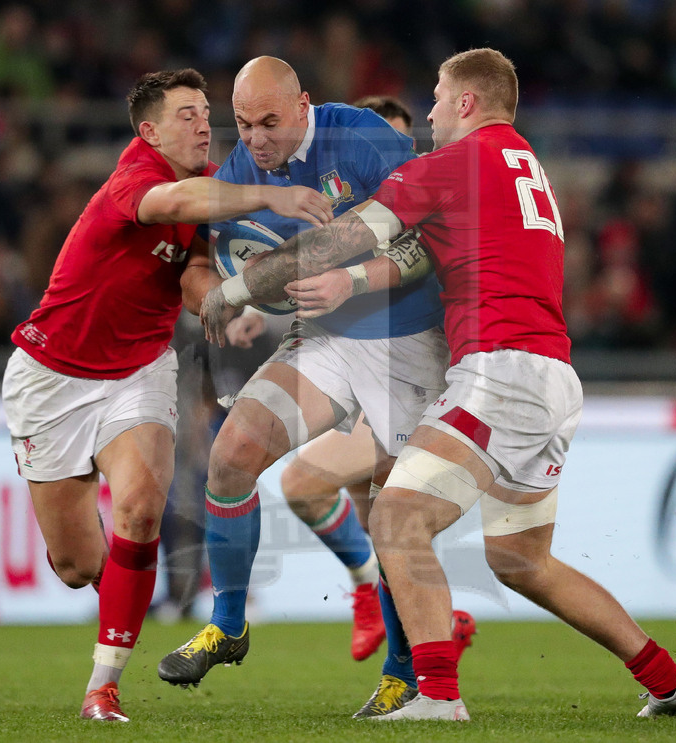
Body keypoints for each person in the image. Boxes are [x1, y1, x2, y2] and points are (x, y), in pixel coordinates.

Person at [196, 48, 676, 722]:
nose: (431, 112)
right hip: (551, 376)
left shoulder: (455, 164)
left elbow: (342, 239)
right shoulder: (522, 163)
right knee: (522, 559)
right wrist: (353, 286)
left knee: (395, 514)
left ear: (468, 102)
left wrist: (237, 288)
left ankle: (437, 694)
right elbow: (414, 258)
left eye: (439, 97)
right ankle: (671, 680)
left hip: (500, 372)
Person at [0, 67, 332, 723]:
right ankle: (122, 587)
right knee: (74, 565)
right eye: (186, 114)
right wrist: (279, 199)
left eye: (206, 113)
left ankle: (103, 689)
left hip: (139, 370)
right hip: (52, 375)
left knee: (142, 509)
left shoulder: (204, 191)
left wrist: (220, 304)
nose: (203, 123)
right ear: (149, 131)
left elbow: (194, 268)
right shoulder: (138, 178)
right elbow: (172, 208)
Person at [157, 56, 450, 704]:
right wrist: (228, 301)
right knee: (231, 457)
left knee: (391, 509)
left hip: (407, 335)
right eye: (242, 124)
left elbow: (433, 242)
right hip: (325, 337)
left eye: (268, 123)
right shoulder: (240, 172)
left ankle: (404, 672)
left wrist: (351, 277)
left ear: (303, 106)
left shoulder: (366, 139)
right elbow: (206, 265)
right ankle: (227, 625)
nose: (256, 139)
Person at [277, 91, 475, 666]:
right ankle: (431, 632)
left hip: (420, 379)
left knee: (308, 486)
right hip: (365, 375)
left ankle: (383, 611)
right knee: (379, 519)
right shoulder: (347, 220)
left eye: (398, 145)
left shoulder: (426, 216)